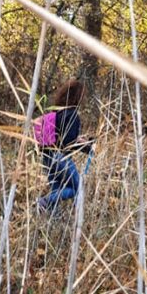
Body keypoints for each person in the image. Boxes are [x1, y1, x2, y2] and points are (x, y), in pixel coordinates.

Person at [36, 78, 92, 211]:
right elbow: (68, 143)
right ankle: (44, 201)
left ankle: (53, 223)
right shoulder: (72, 114)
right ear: (78, 97)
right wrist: (88, 147)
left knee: (57, 189)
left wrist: (78, 140)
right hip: (60, 158)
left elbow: (60, 137)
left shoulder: (57, 113)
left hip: (47, 157)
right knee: (77, 188)